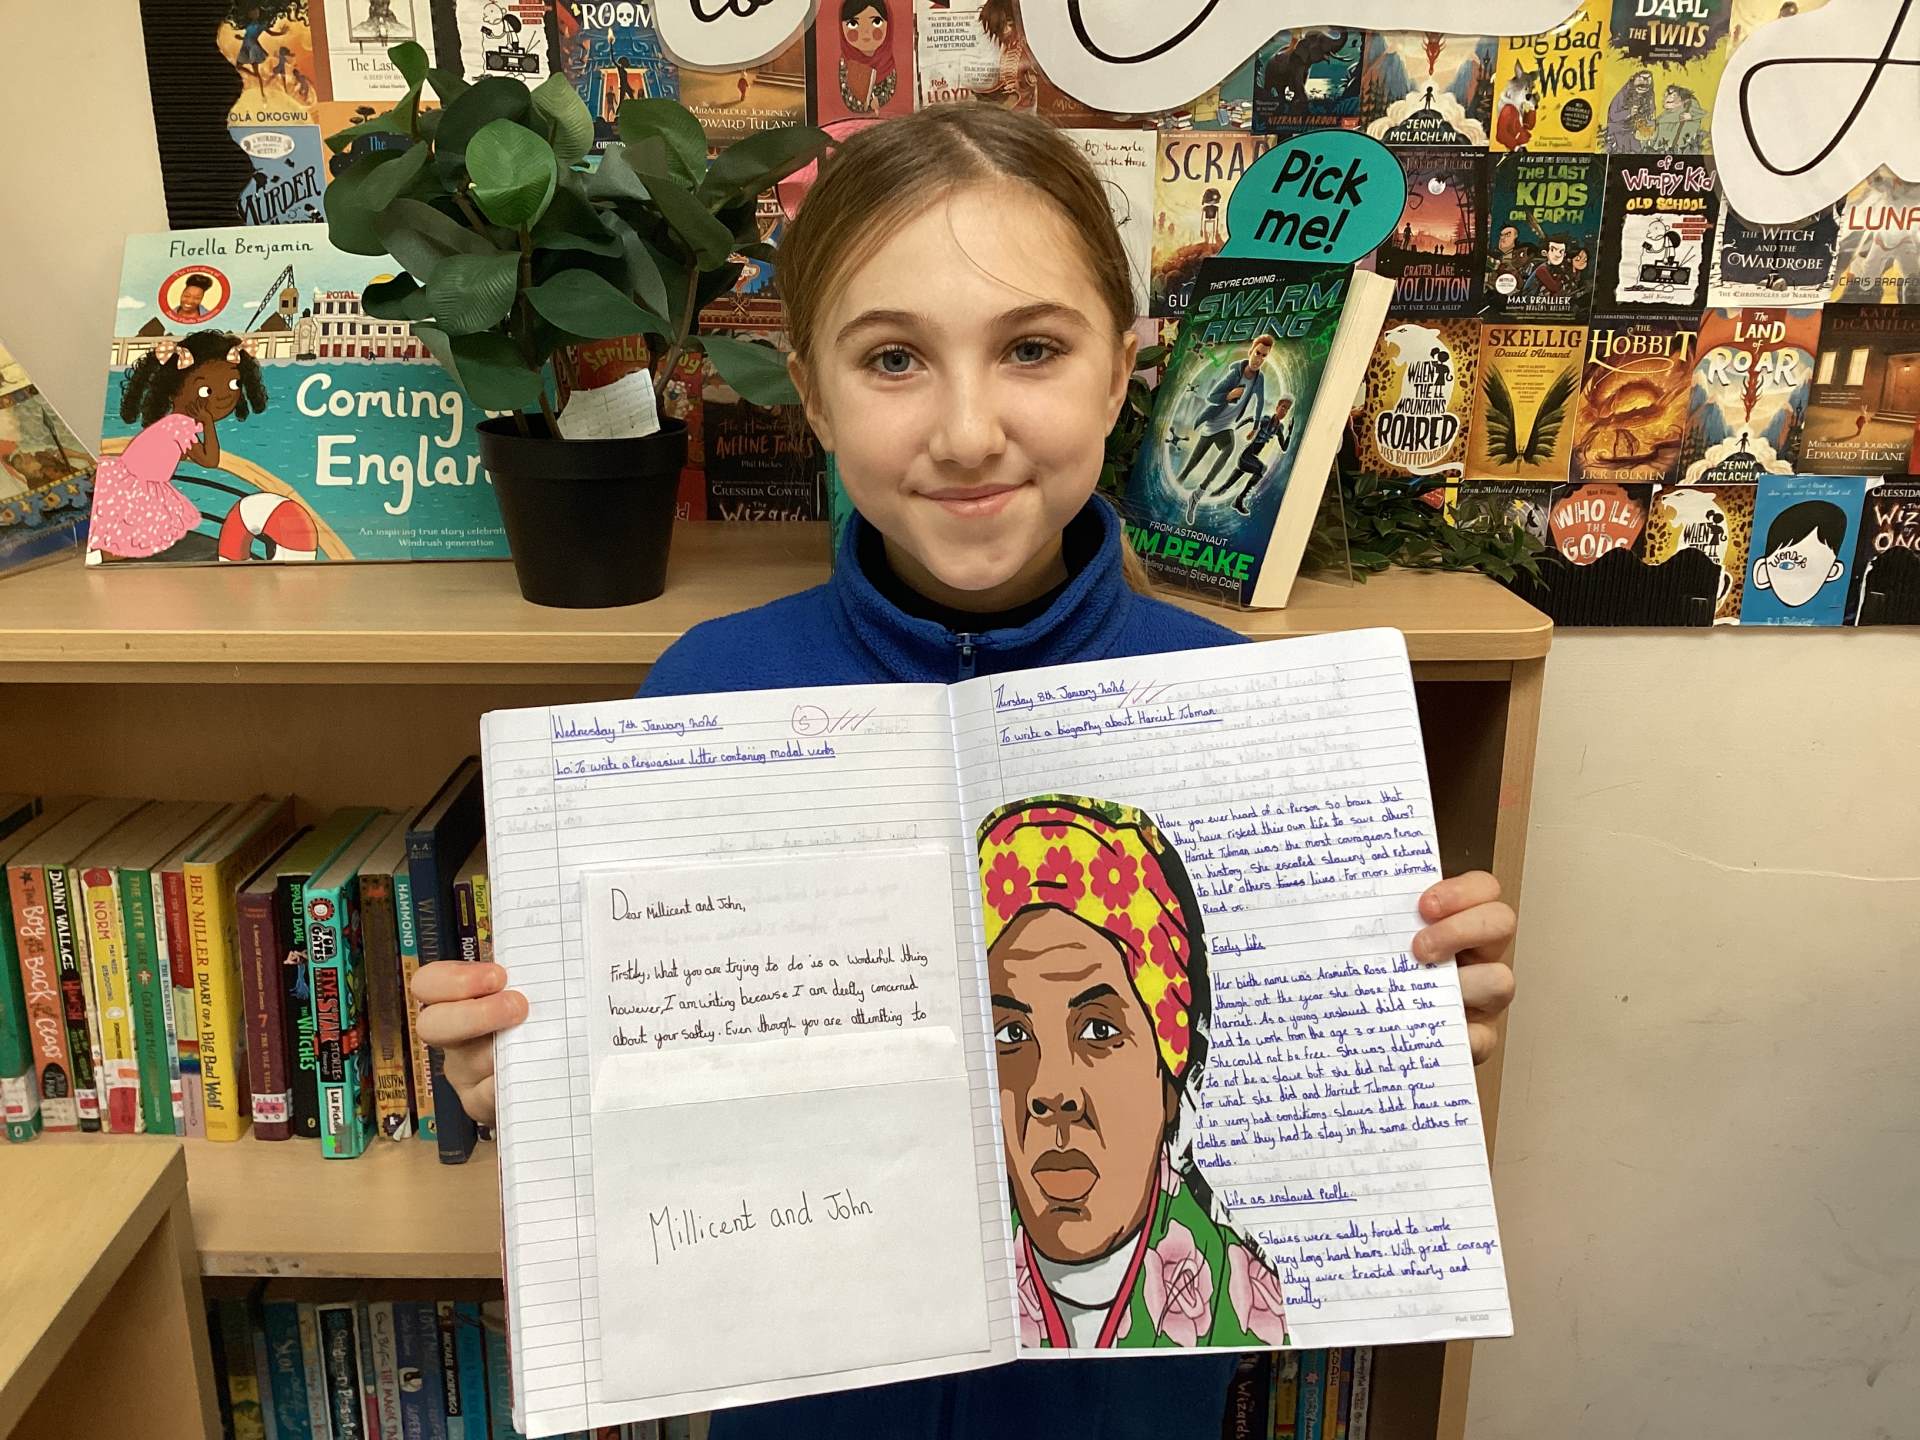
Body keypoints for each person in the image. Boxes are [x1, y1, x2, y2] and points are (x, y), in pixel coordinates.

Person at [411, 103, 1519, 1437]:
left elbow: (1303, 1144)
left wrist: (1407, 1013)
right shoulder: (705, 699)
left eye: (1032, 349)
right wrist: (534, 1082)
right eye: (894, 359)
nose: (968, 430)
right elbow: (662, 1151)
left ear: (1120, 373)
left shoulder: (1239, 714)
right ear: (813, 394)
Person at [982, 795, 1287, 1348]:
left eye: (1099, 1030)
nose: (1052, 1092)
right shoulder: (937, 1277)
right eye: (1011, 1036)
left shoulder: (1251, 1308)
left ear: (1170, 1080)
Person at [1175, 333, 1272, 502]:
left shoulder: (1259, 379)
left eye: (1264, 356)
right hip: (1212, 425)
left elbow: (1260, 401)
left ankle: (1201, 489)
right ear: (1251, 351)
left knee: (1229, 448)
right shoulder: (1234, 375)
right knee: (1192, 464)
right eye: (1258, 353)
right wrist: (1228, 395)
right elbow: (1211, 397)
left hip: (1226, 427)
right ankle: (1178, 483)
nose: (1259, 359)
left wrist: (1256, 427)